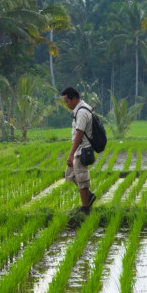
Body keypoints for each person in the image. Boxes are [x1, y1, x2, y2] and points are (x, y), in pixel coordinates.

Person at [61, 86, 96, 214]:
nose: (67, 104)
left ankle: (85, 208)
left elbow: (79, 134)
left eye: (67, 101)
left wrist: (71, 155)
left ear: (74, 99)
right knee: (70, 174)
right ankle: (90, 196)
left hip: (82, 150)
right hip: (78, 150)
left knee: (81, 178)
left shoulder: (81, 112)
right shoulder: (80, 109)